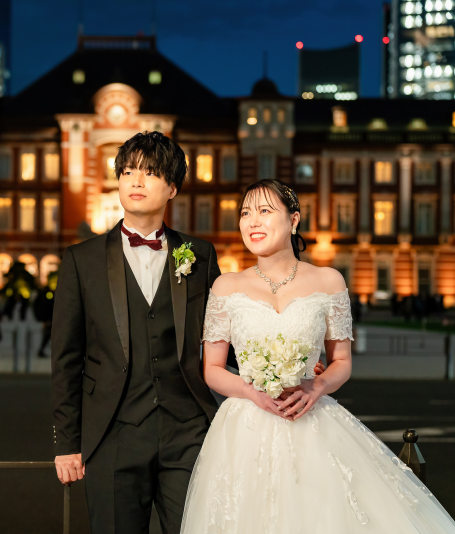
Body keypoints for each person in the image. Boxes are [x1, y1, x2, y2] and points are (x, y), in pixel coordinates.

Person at [180, 179, 455, 533]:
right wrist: (251, 392)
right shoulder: (226, 286)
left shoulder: (328, 281)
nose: (253, 222)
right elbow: (213, 369)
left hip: (310, 419)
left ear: (293, 220)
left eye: (265, 211)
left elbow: (342, 361)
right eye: (246, 213)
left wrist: (316, 386)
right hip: (244, 426)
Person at [51, 132, 243, 533]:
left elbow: (230, 343)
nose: (136, 181)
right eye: (127, 171)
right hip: (113, 435)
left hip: (188, 433)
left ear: (172, 188)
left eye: (150, 173)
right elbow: (66, 359)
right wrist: (67, 443)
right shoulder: (80, 260)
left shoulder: (200, 256)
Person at [33, 281, 55, 358]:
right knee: (47, 335)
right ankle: (41, 351)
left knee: (47, 335)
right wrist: (46, 320)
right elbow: (47, 309)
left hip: (46, 319)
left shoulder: (41, 297)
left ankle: (42, 350)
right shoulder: (46, 298)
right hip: (48, 320)